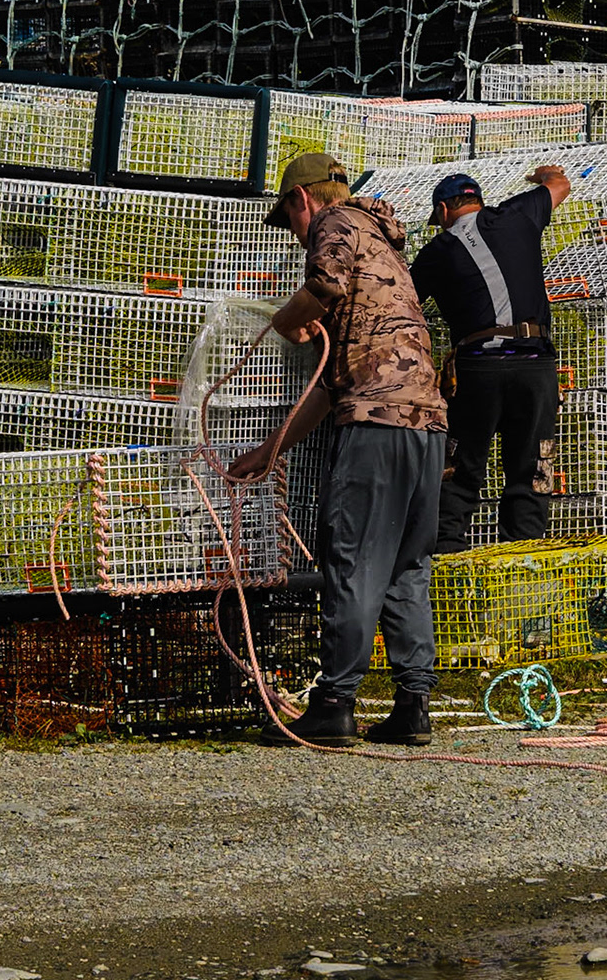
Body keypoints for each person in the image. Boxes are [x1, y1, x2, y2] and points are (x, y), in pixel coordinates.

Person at [230, 152, 448, 748]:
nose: (296, 234)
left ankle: (334, 704)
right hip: (427, 424)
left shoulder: (335, 222)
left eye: (290, 220)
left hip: (376, 427)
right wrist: (271, 450)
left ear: (302, 200)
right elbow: (330, 388)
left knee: (352, 559)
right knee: (406, 565)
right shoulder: (384, 248)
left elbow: (321, 285)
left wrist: (287, 320)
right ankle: (413, 705)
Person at [408, 163, 572, 554]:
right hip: (535, 365)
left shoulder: (437, 251)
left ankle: (448, 559)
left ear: (443, 210)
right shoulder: (519, 214)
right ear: (478, 201)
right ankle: (523, 561)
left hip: (478, 370)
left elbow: (404, 303)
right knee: (532, 470)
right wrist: (541, 174)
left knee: (460, 469)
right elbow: (560, 184)